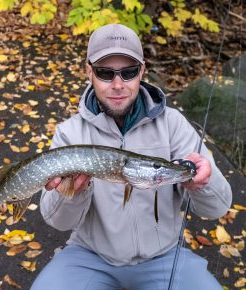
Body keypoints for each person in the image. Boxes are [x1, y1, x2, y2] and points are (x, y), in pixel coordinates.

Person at [31, 24, 232, 290]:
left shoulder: (173, 125)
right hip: (90, 256)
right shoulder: (70, 133)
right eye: (105, 73)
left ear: (142, 71)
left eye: (128, 72)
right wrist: (74, 193)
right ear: (89, 71)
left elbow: (218, 207)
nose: (118, 85)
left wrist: (203, 184)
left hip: (165, 256)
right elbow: (57, 222)